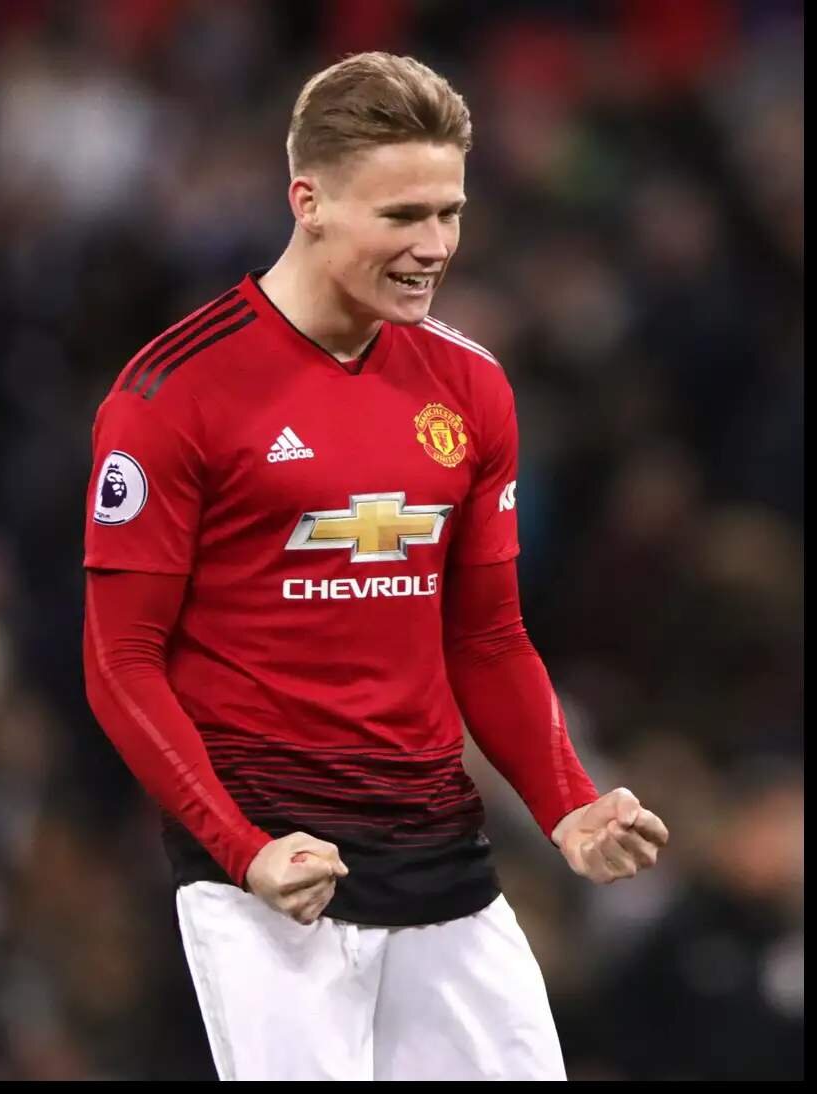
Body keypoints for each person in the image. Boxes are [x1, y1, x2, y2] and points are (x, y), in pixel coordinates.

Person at [83, 51, 669, 1082]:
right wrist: (240, 848)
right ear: (307, 201)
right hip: (273, 874)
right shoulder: (171, 394)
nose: (433, 246)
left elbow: (487, 636)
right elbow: (119, 660)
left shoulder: (470, 386)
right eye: (402, 215)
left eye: (449, 213)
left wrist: (567, 802)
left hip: (442, 856)